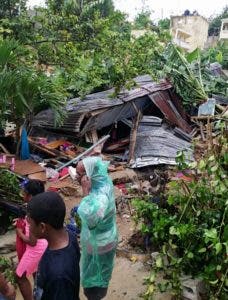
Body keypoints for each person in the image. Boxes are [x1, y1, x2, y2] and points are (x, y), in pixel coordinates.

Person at [76, 157, 118, 300]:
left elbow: (92, 220)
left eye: (80, 174)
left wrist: (85, 191)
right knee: (98, 278)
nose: (77, 177)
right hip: (102, 240)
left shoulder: (100, 195)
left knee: (94, 286)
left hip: (99, 244)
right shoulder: (103, 182)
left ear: (89, 175)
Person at [27, 191, 80, 300]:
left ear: (42, 227)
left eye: (30, 223)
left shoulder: (58, 276)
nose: (29, 227)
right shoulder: (69, 236)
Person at [15, 180, 47, 300]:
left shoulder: (33, 211)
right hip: (43, 245)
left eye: (25, 193)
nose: (23, 195)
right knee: (36, 273)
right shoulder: (42, 205)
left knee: (19, 276)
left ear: (31, 196)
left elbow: (32, 241)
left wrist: (19, 232)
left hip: (35, 248)